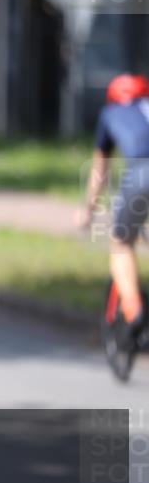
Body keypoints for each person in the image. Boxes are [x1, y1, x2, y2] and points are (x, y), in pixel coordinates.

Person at [77, 73, 149, 350]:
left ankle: (133, 311)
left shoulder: (110, 113)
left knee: (121, 243)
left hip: (142, 174)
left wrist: (88, 210)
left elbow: (100, 171)